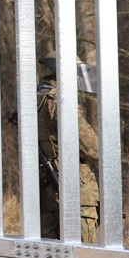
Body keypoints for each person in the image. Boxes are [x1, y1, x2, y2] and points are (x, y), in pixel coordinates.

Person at [37, 50, 100, 243]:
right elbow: (91, 147)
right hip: (74, 185)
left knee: (50, 256)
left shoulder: (36, 99)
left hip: (44, 186)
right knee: (82, 256)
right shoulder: (59, 101)